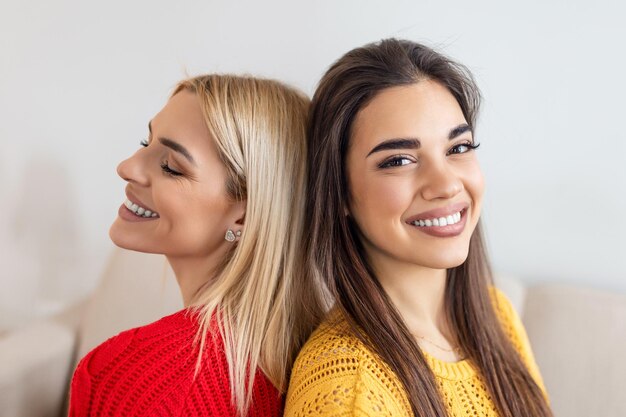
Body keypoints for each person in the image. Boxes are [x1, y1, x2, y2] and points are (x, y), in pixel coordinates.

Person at [285, 39, 553, 417]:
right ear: (339, 192)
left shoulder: (497, 316)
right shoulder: (349, 391)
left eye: (458, 148)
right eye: (399, 159)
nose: (444, 184)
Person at [69, 75, 322, 416]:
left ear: (245, 218)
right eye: (146, 142)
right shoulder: (310, 354)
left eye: (171, 167)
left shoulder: (127, 379)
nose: (127, 167)